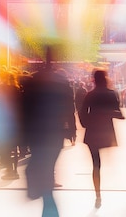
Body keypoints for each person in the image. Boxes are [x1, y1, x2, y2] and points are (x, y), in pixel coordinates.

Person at [21, 45, 75, 217]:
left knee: (39, 166)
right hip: (55, 132)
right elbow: (69, 107)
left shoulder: (33, 81)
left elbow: (24, 110)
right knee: (46, 166)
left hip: (38, 132)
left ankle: (46, 200)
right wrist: (71, 129)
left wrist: (22, 134)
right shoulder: (61, 81)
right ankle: (47, 201)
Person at [78, 70, 124, 209]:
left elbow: (82, 112)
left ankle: (98, 194)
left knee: (96, 164)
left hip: (92, 131)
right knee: (100, 164)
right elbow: (118, 113)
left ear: (94, 79)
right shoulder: (111, 94)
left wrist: (86, 124)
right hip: (106, 131)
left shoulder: (90, 94)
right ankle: (99, 193)